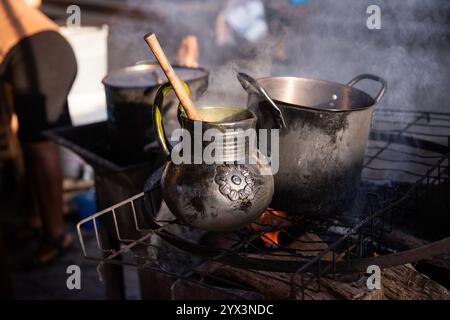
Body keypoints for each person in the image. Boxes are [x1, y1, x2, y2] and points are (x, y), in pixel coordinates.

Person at [0, 0, 77, 266]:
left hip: (38, 56)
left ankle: (56, 236)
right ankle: (36, 219)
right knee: (33, 141)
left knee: (40, 145)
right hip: (54, 47)